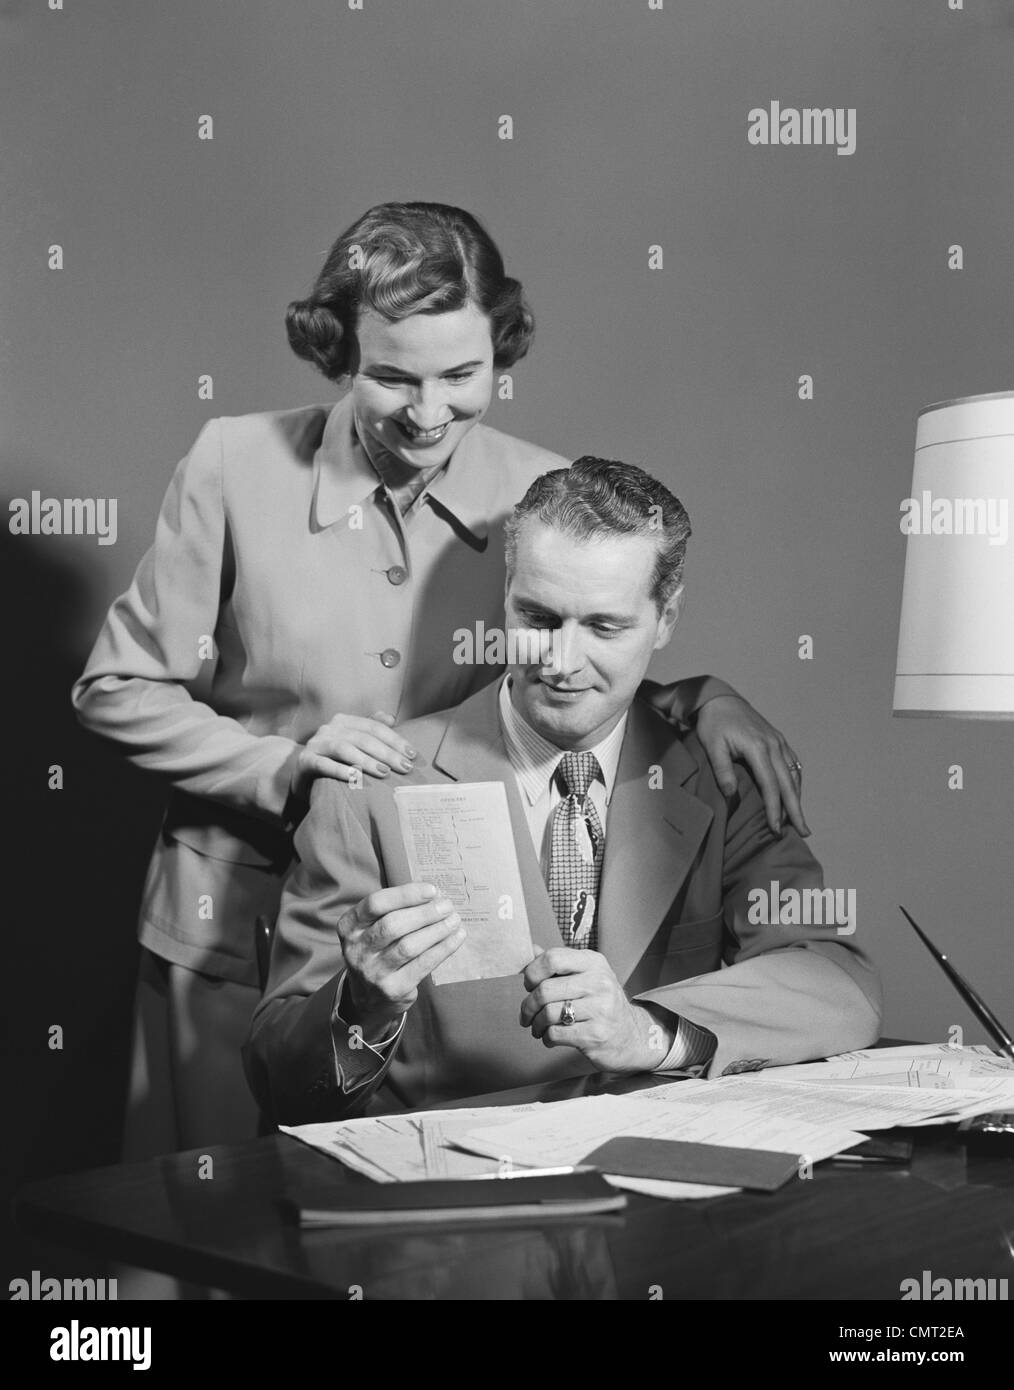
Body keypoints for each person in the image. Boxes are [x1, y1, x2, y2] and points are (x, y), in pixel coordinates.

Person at [72, 202, 809, 1156]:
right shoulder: (232, 463)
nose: (428, 413)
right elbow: (117, 688)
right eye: (391, 376)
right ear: (340, 353)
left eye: (463, 376)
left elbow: (572, 655)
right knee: (214, 1231)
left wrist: (702, 695)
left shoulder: (541, 485)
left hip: (441, 933)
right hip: (231, 925)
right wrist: (286, 766)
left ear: (503, 354)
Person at [245, 459, 881, 1123]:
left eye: (605, 627)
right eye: (538, 617)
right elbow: (278, 1078)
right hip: (454, 1202)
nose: (561, 662)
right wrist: (360, 1009)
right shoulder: (371, 789)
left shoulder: (721, 773)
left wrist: (649, 1032)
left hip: (663, 1189)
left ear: (666, 620)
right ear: (505, 595)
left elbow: (837, 982)